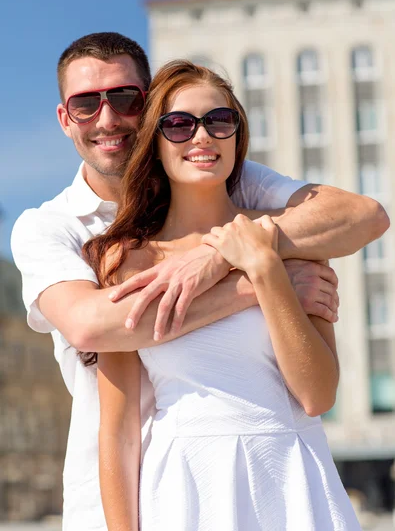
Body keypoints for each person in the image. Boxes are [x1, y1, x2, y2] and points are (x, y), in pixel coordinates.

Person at [10, 32, 387, 531]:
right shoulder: (68, 234)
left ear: (146, 112)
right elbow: (91, 327)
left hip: (290, 481)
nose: (107, 118)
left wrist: (224, 256)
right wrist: (254, 281)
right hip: (145, 493)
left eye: (125, 98)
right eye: (85, 104)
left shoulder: (245, 189)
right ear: (65, 118)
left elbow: (363, 216)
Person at [90, 60, 366, 531]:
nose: (202, 137)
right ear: (155, 144)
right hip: (183, 488)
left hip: (292, 482)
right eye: (178, 125)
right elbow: (119, 434)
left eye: (219, 121)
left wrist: (262, 266)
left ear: (238, 137)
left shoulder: (291, 243)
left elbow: (317, 395)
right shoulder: (125, 259)